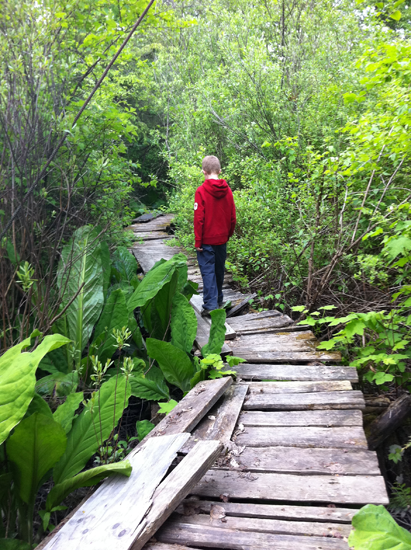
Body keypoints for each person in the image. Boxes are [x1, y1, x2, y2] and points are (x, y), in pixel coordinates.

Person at [194, 155, 236, 315]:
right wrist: (228, 234)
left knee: (208, 271)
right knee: (219, 270)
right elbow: (233, 216)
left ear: (203, 171)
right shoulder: (228, 191)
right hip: (222, 239)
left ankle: (211, 306)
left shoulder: (201, 191)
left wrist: (198, 241)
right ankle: (218, 299)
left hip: (206, 241)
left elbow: (199, 219)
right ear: (219, 171)